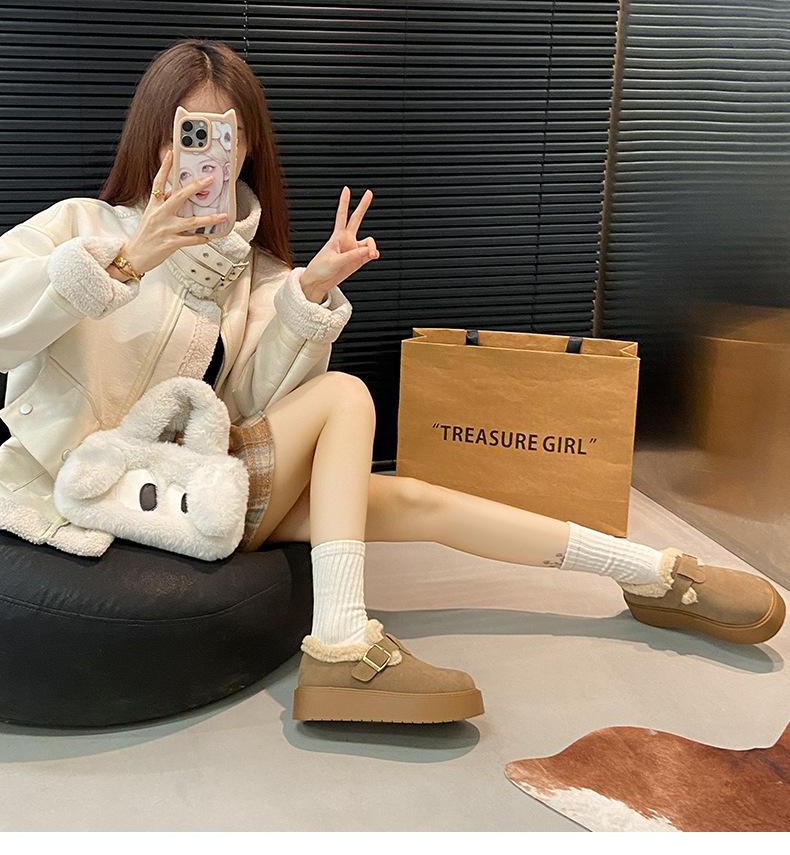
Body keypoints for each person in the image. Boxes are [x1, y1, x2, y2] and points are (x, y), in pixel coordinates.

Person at [0, 40, 784, 726]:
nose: (208, 157)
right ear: (156, 138)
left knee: (413, 499)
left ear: (248, 149)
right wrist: (128, 260)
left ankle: (651, 575)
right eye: (189, 132)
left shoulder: (256, 273)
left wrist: (306, 295)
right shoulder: (80, 228)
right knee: (348, 396)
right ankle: (342, 645)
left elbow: (252, 412)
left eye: (227, 137)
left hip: (193, 490)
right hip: (85, 488)